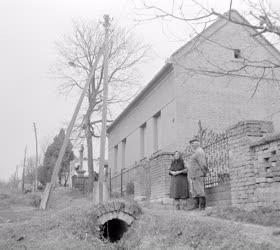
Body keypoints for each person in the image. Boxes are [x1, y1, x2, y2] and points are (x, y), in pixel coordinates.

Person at [188, 137, 208, 210]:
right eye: (191, 144)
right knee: (195, 191)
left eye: (193, 143)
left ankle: (202, 207)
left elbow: (203, 164)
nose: (191, 145)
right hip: (194, 175)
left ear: (197, 143)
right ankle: (196, 205)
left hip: (198, 174)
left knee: (200, 190)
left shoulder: (199, 151)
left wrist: (204, 172)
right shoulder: (195, 152)